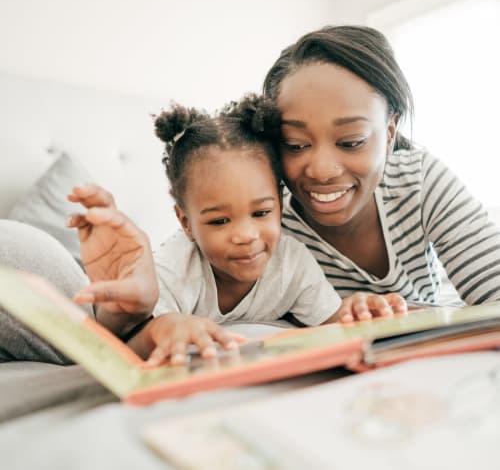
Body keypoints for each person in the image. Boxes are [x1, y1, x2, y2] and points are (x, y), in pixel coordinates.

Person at [69, 94, 406, 365]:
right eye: (219, 221)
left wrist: (354, 311)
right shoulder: (173, 268)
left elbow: (332, 324)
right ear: (186, 223)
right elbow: (135, 340)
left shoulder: (293, 262)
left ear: (280, 203)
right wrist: (165, 327)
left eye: (261, 212)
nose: (246, 235)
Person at [262, 25, 500, 306]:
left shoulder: (419, 181)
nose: (322, 171)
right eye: (295, 144)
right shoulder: (266, 216)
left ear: (389, 133)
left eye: (351, 142)